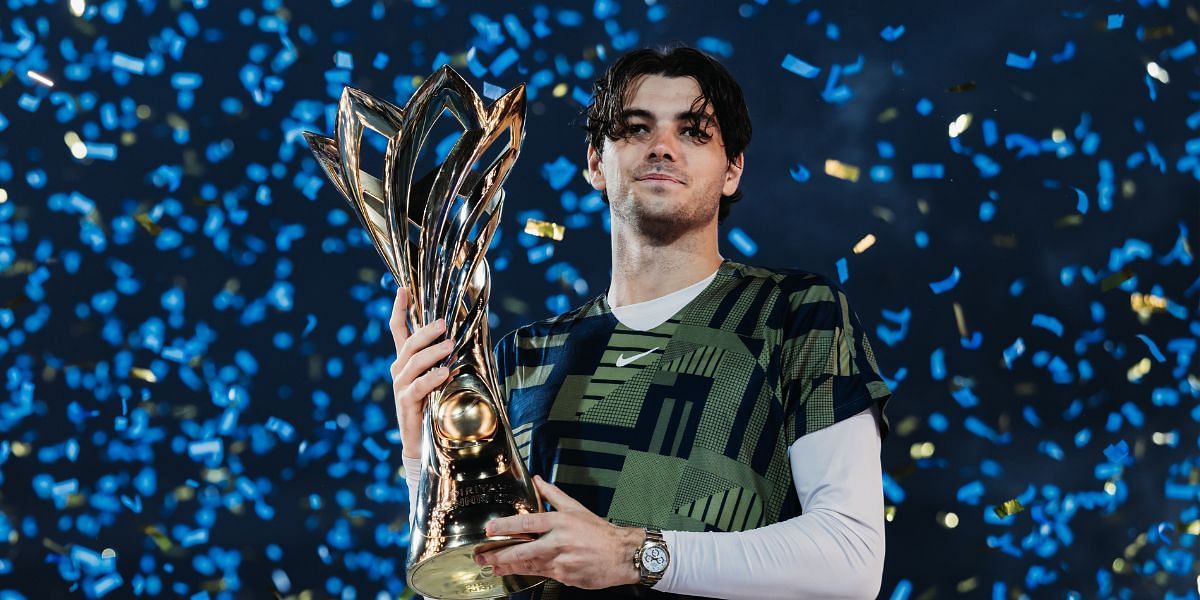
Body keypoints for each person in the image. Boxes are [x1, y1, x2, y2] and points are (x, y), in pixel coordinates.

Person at [390, 45, 893, 599]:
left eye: (694, 132)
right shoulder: (520, 356)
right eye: (634, 128)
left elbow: (852, 561)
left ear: (732, 170)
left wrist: (635, 554)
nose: (662, 147)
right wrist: (422, 459)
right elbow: (473, 587)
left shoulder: (797, 314)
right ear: (594, 163)